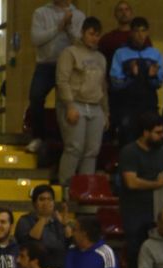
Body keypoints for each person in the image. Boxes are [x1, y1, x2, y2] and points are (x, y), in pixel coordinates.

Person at [117, 114, 163, 268]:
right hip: (134, 212)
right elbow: (131, 182)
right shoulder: (129, 152)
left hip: (156, 213)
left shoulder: (162, 153)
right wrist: (156, 184)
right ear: (145, 132)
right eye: (157, 132)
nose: (162, 136)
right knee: (135, 252)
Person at [28, 0, 87, 154]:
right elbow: (36, 39)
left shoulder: (79, 15)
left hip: (69, 66)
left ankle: (66, 139)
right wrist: (58, 27)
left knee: (65, 103)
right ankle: (38, 137)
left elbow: (82, 43)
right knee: (36, 96)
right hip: (46, 64)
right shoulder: (40, 13)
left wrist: (68, 29)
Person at [56, 16, 109, 186]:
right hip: (76, 103)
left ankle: (86, 189)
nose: (94, 38)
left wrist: (106, 112)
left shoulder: (101, 58)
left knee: (92, 151)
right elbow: (62, 81)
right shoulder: (70, 52)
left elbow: (103, 87)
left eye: (97, 35)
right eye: (91, 34)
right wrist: (69, 105)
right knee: (74, 147)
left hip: (95, 106)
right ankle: (65, 187)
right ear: (83, 33)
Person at [108, 16, 162, 145]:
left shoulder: (155, 54)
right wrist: (131, 75)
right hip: (127, 106)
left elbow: (159, 83)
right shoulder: (120, 53)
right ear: (131, 33)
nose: (140, 35)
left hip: (149, 105)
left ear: (147, 32)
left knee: (151, 140)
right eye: (137, 31)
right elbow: (115, 83)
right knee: (128, 139)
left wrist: (152, 77)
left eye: (143, 31)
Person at [15, 184, 69, 262]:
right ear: (34, 203)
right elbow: (30, 244)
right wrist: (44, 217)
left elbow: (69, 243)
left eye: (49, 199)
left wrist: (65, 225)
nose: (46, 203)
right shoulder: (25, 221)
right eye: (42, 199)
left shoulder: (57, 222)